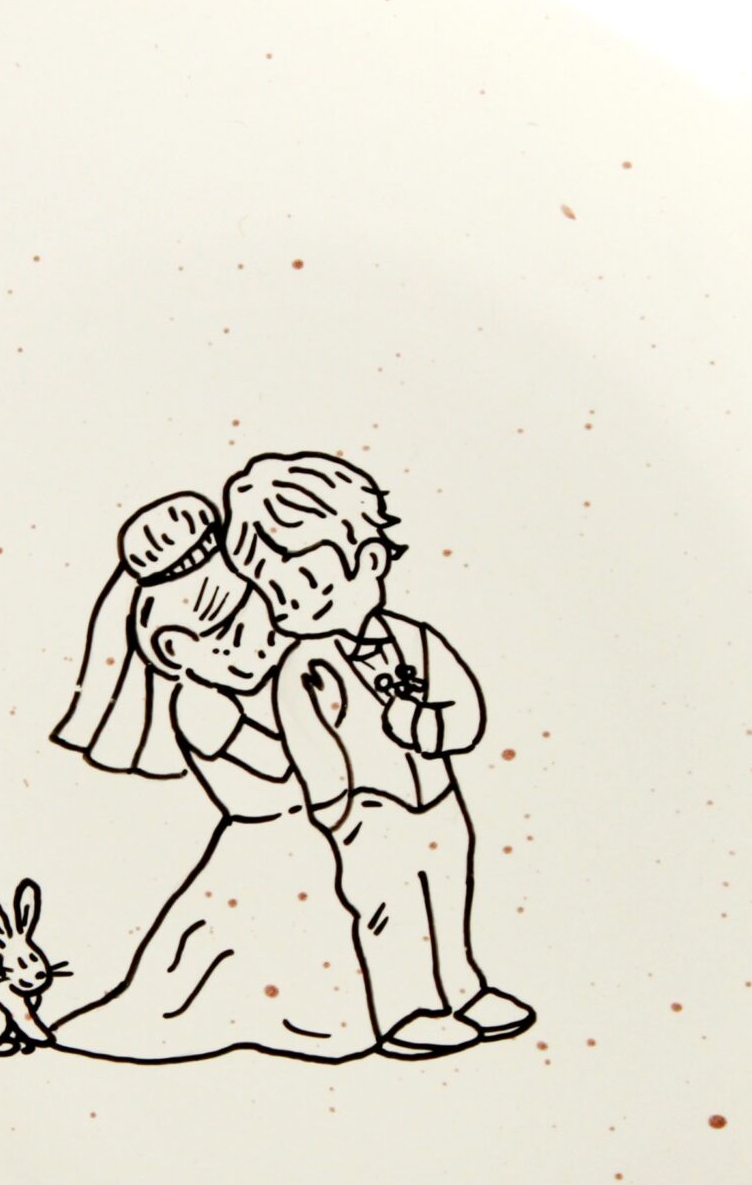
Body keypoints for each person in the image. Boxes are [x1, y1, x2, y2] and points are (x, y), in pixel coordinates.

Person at [222, 453, 534, 1059]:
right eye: (270, 592)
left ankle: (462, 988)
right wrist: (337, 810)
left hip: (437, 799)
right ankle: (406, 1007)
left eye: (302, 584)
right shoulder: (304, 666)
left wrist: (427, 726)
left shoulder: (417, 639)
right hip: (368, 809)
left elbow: (465, 713)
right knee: (390, 904)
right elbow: (311, 745)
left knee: (448, 890)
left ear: (367, 561)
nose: (285, 606)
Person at [49, 491, 372, 1063]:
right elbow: (280, 764)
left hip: (310, 835)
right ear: (175, 650)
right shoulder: (202, 706)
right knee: (282, 937)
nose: (264, 644)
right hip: (266, 841)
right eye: (232, 637)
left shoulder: (272, 680)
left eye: (266, 621)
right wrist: (315, 717)